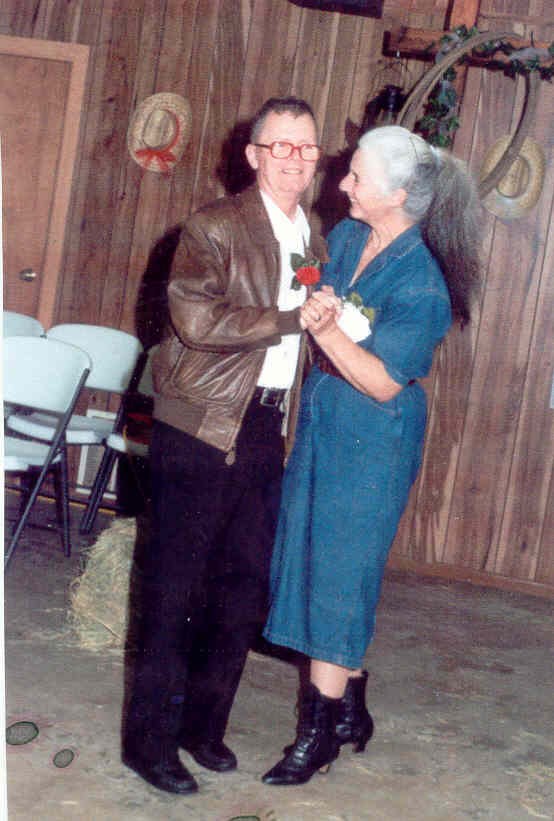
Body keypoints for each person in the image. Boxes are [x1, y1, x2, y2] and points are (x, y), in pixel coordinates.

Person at [261, 124, 481, 786]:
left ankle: (317, 736)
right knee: (315, 559)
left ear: (402, 195)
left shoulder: (424, 282)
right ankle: (352, 709)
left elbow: (385, 379)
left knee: (340, 572)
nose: (343, 183)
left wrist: (326, 330)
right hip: (327, 417)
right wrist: (309, 288)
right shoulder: (352, 236)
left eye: (356, 176)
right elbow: (312, 270)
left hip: (375, 432)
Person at [122, 97, 327, 794]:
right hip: (202, 425)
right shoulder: (214, 227)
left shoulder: (313, 233)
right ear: (253, 154)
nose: (294, 161)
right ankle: (148, 745)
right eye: (281, 147)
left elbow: (308, 331)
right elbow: (196, 316)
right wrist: (292, 317)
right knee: (173, 589)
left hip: (268, 428)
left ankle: (202, 728)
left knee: (241, 592)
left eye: (306, 149)